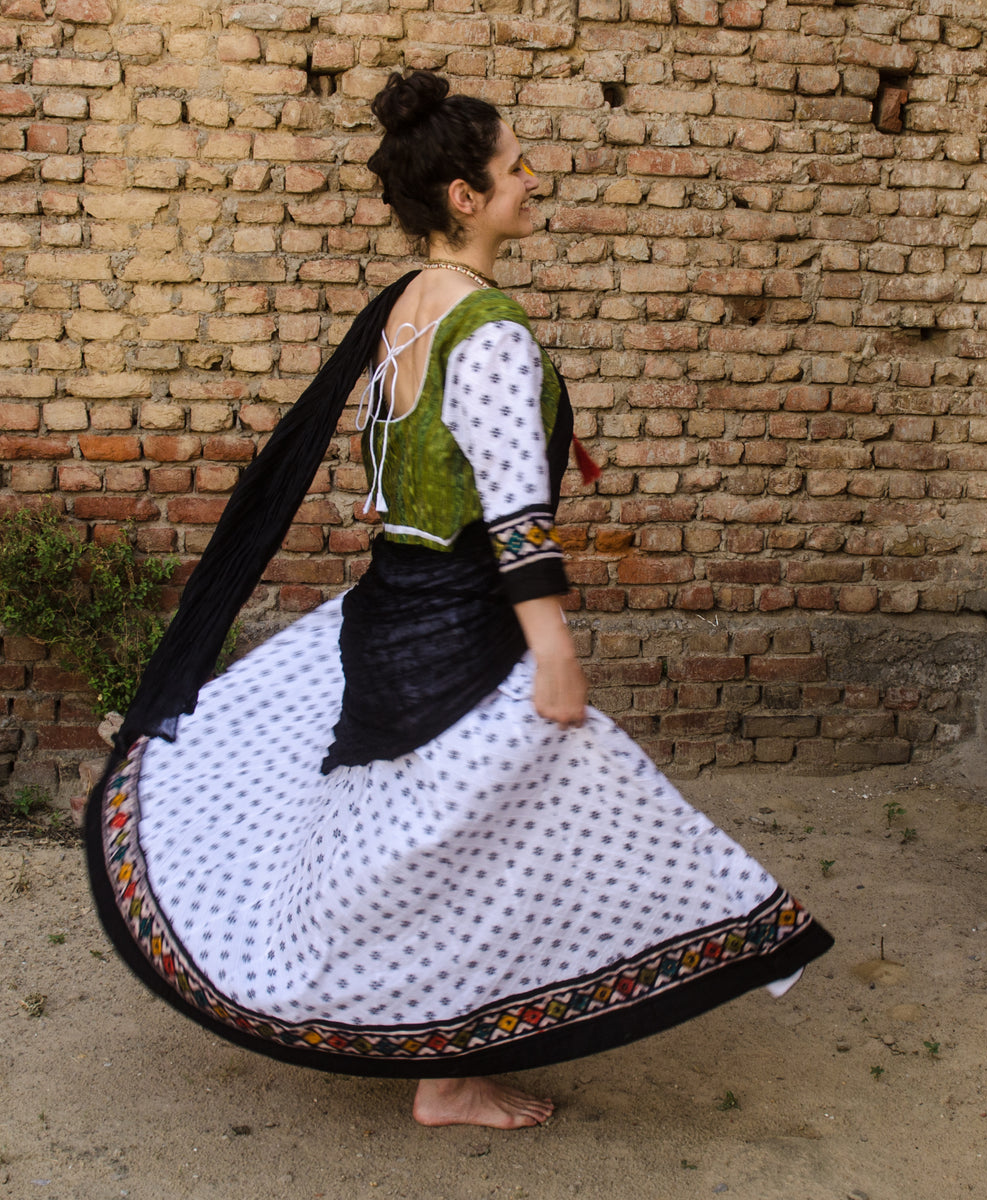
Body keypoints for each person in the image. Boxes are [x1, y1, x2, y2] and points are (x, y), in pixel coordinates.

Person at [85, 70, 833, 1131]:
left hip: (390, 613)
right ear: (463, 197)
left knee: (459, 840)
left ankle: (443, 1070)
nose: (536, 178)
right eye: (516, 165)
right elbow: (515, 518)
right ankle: (702, 961)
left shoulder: (403, 308)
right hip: (460, 632)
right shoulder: (488, 333)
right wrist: (555, 650)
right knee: (577, 804)